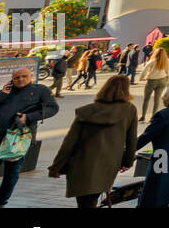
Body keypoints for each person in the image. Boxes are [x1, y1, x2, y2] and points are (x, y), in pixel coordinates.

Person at [0, 64, 58, 208]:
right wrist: (2, 96)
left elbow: (53, 108)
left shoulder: (40, 91)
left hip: (18, 141)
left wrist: (29, 117)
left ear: (31, 77)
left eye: (24, 76)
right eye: (16, 77)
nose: (20, 79)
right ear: (12, 79)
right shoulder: (3, 93)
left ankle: (0, 203)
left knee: (11, 176)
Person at [48, 75, 138, 209]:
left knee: (84, 201)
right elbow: (131, 139)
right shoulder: (129, 110)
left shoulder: (87, 111)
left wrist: (56, 167)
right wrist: (128, 161)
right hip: (110, 163)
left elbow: (69, 142)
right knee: (93, 198)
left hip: (82, 162)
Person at [138, 46, 169, 121]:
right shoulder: (167, 61)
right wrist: (167, 80)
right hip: (162, 80)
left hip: (151, 80)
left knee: (146, 99)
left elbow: (144, 71)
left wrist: (141, 78)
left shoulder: (152, 61)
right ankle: (154, 116)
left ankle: (143, 116)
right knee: (157, 99)